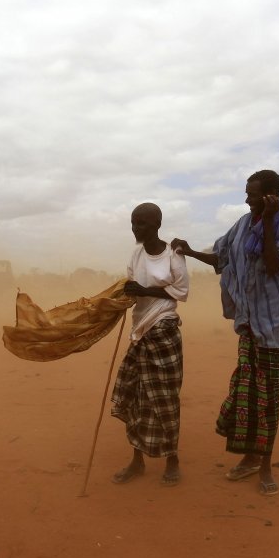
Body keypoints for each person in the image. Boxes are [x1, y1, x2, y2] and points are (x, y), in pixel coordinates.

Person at [172, 169, 279, 497]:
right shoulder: (243, 224)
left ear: (271, 195)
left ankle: (266, 465)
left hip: (274, 325)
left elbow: (274, 265)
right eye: (247, 193)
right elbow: (221, 257)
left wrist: (270, 221)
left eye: (253, 194)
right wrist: (189, 252)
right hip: (248, 323)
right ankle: (248, 457)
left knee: (269, 398)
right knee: (247, 394)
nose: (246, 199)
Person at [110, 203, 189, 487]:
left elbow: (181, 291)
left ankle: (172, 459)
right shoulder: (136, 254)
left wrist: (144, 291)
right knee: (136, 396)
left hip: (164, 331)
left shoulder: (173, 256)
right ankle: (137, 460)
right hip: (139, 331)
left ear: (156, 224)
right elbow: (132, 286)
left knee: (165, 399)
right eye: (133, 223)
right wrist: (124, 297)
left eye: (141, 223)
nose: (135, 229)